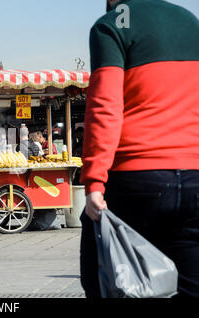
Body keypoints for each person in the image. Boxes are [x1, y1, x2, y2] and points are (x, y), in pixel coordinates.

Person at [80, 0, 199, 298]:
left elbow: (106, 106)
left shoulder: (112, 24)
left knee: (108, 277)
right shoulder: (189, 20)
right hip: (195, 173)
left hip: (137, 178)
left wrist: (95, 181)